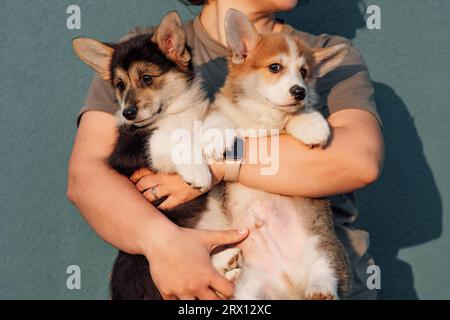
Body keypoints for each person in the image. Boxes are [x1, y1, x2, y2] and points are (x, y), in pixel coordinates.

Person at [67, 0, 384, 300]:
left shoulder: (318, 54)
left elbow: (358, 161)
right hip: (205, 285)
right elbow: (87, 179)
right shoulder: (139, 51)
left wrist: (223, 164)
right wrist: (164, 244)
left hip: (318, 280)